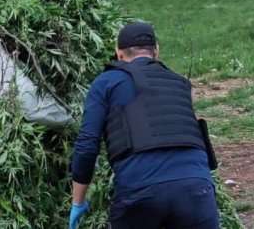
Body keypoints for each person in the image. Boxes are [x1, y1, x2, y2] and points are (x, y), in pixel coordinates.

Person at [68, 21, 219, 229]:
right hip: (197, 191)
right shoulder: (181, 83)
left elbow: (87, 144)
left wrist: (78, 202)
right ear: (156, 51)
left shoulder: (106, 82)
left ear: (119, 54)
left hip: (140, 193)